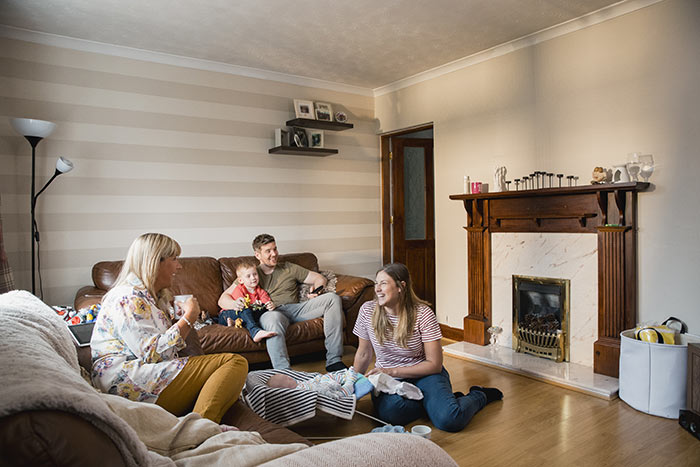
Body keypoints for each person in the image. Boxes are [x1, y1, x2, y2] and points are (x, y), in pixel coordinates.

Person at [90, 233, 248, 424]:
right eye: (174, 259)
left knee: (226, 379)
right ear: (155, 262)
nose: (179, 266)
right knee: (235, 363)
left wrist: (177, 320)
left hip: (140, 376)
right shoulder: (128, 298)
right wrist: (189, 318)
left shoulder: (148, 297)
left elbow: (160, 349)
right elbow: (152, 354)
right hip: (127, 382)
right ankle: (200, 429)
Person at [352, 263, 503, 432]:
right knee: (391, 415)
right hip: (389, 380)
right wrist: (351, 388)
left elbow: (434, 364)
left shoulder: (423, 314)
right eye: (376, 283)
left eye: (383, 283)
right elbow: (364, 353)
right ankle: (440, 403)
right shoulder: (367, 311)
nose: (377, 289)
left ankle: (479, 395)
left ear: (401, 286)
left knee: (450, 419)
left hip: (424, 373)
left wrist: (390, 371)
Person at [219, 233, 345, 372]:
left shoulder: (289, 267)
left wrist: (316, 291)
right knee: (273, 318)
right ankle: (284, 372)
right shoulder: (252, 274)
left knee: (333, 299)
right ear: (257, 254)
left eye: (275, 249)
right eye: (268, 251)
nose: (274, 254)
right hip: (270, 313)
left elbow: (319, 278)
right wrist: (234, 304)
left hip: (296, 309)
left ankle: (334, 361)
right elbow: (223, 298)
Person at [218, 259, 277, 342]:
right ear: (240, 280)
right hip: (227, 314)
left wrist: (269, 305)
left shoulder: (261, 291)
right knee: (245, 310)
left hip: (244, 315)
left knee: (262, 311)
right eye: (248, 276)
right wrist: (255, 304)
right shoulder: (239, 289)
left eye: (255, 274)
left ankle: (236, 323)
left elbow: (266, 303)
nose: (253, 278)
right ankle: (255, 331)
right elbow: (242, 305)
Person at [266, 367, 359, 399]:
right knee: (345, 391)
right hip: (331, 392)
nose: (290, 377)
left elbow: (312, 381)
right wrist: (330, 387)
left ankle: (343, 377)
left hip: (323, 383)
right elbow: (318, 390)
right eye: (287, 380)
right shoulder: (299, 391)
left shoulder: (298, 384)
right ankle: (350, 380)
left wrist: (319, 379)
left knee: (326, 377)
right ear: (286, 389)